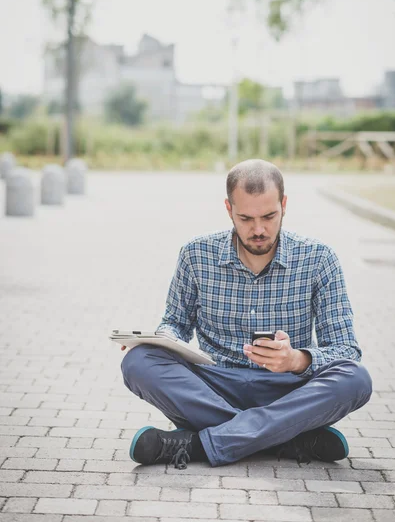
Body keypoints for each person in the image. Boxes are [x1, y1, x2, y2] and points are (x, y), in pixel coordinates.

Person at [121, 159, 372, 470]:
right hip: (213, 387)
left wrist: (296, 360)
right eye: (245, 218)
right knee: (138, 361)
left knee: (355, 379)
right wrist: (160, 340)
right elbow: (175, 323)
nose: (258, 230)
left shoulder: (319, 259)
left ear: (284, 205)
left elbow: (347, 350)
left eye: (269, 216)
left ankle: (198, 444)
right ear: (229, 209)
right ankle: (285, 438)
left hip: (285, 390)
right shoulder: (196, 254)